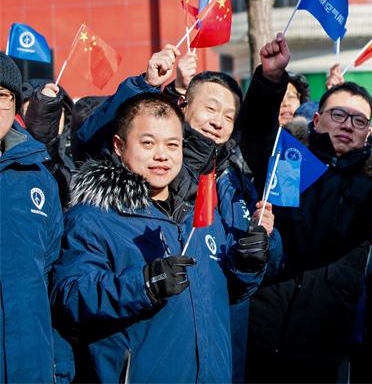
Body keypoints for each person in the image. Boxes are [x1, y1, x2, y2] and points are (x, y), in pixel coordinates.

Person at [73, 42, 288, 382]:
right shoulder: (100, 209)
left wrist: (255, 256)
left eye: (229, 116)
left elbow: (226, 288)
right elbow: (71, 295)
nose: (162, 156)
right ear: (183, 106)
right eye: (150, 144)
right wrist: (143, 284)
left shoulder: (222, 188)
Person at [240, 54, 372, 382]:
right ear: (316, 119)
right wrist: (269, 79)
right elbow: (254, 130)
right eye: (339, 114)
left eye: (358, 120)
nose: (347, 125)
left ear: (367, 132)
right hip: (261, 323)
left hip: (324, 334)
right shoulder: (287, 158)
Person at [0, 53, 64, 382]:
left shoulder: (38, 177)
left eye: (3, 95)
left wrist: (59, 366)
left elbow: (52, 278)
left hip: (32, 366)